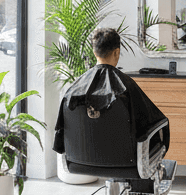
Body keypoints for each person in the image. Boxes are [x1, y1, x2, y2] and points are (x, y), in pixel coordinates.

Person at [52, 28, 169, 169]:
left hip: (78, 162)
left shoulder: (74, 89)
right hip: (127, 163)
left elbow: (61, 130)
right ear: (116, 52)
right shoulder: (126, 86)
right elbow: (149, 121)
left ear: (94, 52)